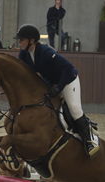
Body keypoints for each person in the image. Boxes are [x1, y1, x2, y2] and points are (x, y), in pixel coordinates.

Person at [16, 25, 99, 158]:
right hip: (51, 83)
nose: (19, 42)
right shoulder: (24, 54)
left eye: (22, 40)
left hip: (67, 80)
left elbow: (67, 68)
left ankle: (90, 140)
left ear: (31, 40)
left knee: (74, 108)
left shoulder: (45, 52)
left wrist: (59, 87)